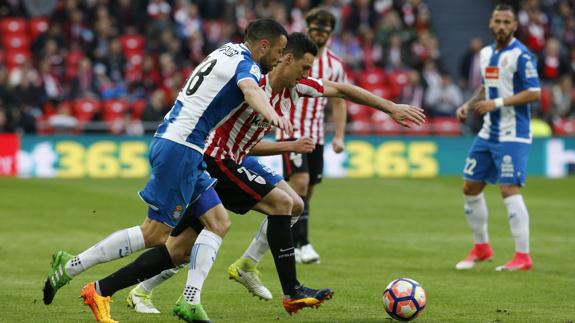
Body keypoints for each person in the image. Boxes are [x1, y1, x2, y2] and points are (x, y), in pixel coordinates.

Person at [119, 32, 423, 317]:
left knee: (182, 247)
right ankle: (289, 289)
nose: (307, 76)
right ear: (286, 59)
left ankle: (130, 289)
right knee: (279, 206)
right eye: (304, 67)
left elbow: (340, 89)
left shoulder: (297, 87)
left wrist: (389, 106)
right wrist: (282, 134)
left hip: (235, 160)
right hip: (215, 161)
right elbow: (237, 112)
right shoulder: (253, 83)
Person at [42, 18, 290, 323]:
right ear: (263, 45)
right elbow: (250, 90)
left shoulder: (226, 50)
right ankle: (76, 271)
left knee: (218, 222)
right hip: (181, 148)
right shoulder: (248, 65)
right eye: (278, 51)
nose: (280, 58)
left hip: (184, 146)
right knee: (155, 234)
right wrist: (272, 114)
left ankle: (190, 301)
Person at [454, 4, 540, 272]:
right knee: (470, 187)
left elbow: (534, 92)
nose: (502, 26)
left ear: (514, 25)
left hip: (513, 133)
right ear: (491, 24)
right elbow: (486, 86)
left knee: (508, 189)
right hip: (488, 132)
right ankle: (482, 247)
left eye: (507, 22)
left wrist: (498, 103)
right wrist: (469, 104)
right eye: (498, 21)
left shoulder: (522, 56)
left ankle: (522, 256)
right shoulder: (486, 53)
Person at [279, 7, 348, 264]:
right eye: (316, 29)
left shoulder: (335, 65)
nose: (320, 34)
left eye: (325, 31)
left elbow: (339, 102)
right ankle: (303, 244)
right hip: (292, 131)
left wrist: (339, 136)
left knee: (308, 191)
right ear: (308, 29)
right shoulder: (294, 57)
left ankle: (293, 240)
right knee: (300, 183)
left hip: (317, 135)